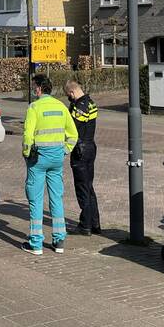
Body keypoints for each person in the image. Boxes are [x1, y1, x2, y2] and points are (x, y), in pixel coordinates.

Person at [22, 73, 78, 255]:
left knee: (35, 200)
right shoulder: (61, 106)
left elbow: (28, 136)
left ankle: (36, 243)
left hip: (38, 159)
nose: (33, 90)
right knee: (56, 198)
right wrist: (65, 150)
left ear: (38, 88)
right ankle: (59, 240)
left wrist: (26, 154)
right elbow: (73, 134)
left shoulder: (34, 108)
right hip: (56, 159)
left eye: (33, 87)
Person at [64, 80, 101, 236]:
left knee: (82, 188)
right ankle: (95, 223)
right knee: (89, 186)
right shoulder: (91, 103)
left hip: (80, 150)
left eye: (68, 96)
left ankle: (85, 225)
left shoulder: (79, 107)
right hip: (90, 147)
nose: (69, 99)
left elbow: (73, 128)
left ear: (72, 92)